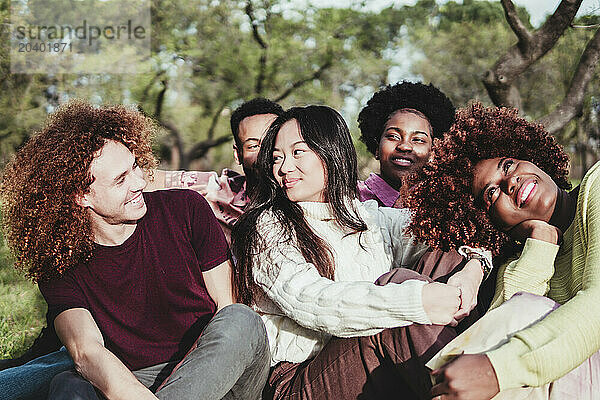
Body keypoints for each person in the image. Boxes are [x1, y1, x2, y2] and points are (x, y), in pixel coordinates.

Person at [0, 100, 270, 400]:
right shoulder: (60, 261)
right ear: (80, 196)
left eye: (135, 167)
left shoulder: (186, 209)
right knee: (68, 385)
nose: (140, 182)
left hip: (214, 372)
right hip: (132, 383)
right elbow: (85, 350)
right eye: (121, 179)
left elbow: (227, 308)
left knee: (241, 320)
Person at [231, 105, 488, 399]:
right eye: (277, 158)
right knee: (396, 291)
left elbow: (453, 230)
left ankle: (482, 374)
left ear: (330, 150)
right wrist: (416, 300)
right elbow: (313, 302)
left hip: (372, 363)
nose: (284, 167)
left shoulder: (366, 216)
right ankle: (475, 387)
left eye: (298, 152)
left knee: (449, 255)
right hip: (302, 379)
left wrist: (474, 268)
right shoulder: (268, 227)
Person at [405, 102, 600, 399]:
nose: (510, 181)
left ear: (535, 159)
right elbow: (489, 338)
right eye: (491, 193)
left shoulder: (596, 185)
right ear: (491, 222)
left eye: (508, 165)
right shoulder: (518, 265)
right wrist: (541, 242)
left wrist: (496, 369)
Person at [357, 81, 455, 207]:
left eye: (418, 139)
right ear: (377, 147)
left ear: (433, 151)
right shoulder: (350, 199)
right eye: (393, 136)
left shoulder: (446, 205)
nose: (404, 146)